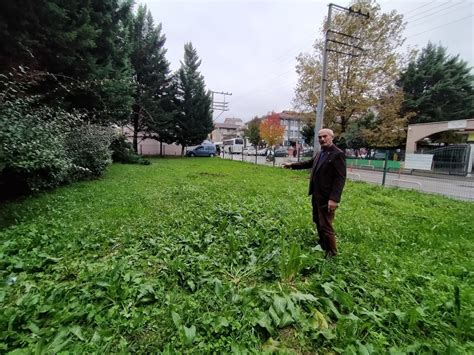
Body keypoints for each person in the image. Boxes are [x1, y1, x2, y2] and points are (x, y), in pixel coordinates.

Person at [282, 128, 346, 258]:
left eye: (325, 137)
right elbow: (309, 163)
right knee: (317, 220)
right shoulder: (320, 153)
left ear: (331, 137)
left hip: (327, 197)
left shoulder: (337, 154)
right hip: (317, 195)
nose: (322, 139)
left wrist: (334, 199)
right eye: (320, 137)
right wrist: (292, 165)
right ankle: (323, 244)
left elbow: (340, 178)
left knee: (326, 225)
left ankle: (332, 253)